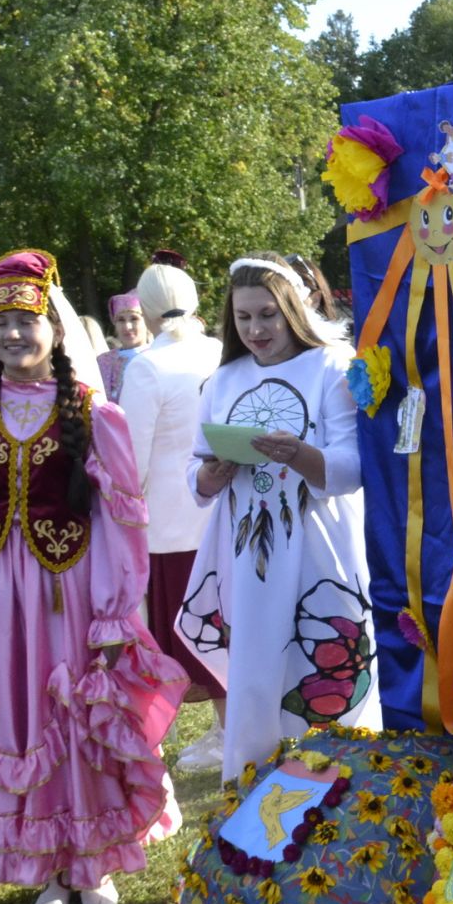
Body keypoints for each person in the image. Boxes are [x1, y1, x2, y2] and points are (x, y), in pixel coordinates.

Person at [0, 249, 185, 904]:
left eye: (25, 321)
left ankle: (90, 863)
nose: (12, 335)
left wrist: (118, 614)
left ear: (54, 328)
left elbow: (122, 521)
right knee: (17, 712)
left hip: (72, 592)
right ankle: (47, 870)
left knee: (73, 716)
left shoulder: (94, 413)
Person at [176, 252, 380, 781]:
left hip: (317, 547)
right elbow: (196, 478)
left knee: (326, 658)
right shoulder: (223, 380)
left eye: (267, 314)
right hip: (248, 557)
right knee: (256, 671)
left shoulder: (333, 366)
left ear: (292, 309)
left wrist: (299, 454)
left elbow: (353, 469)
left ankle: (341, 789)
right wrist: (213, 475)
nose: (255, 329)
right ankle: (255, 791)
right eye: (243, 317)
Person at [120, 250, 228, 770]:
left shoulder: (147, 366)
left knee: (199, 636)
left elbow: (130, 460)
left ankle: (227, 733)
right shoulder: (225, 351)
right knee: (232, 629)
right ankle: (230, 728)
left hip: (173, 525)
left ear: (144, 306)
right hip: (228, 517)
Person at [97, 291, 151, 402]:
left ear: (146, 321)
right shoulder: (103, 361)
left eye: (134, 319)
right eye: (121, 320)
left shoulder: (155, 357)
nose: (127, 326)